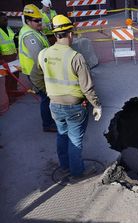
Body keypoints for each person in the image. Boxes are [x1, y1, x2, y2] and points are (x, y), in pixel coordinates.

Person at [38, 15, 102, 178]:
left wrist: (48, 92)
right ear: (70, 34)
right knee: (75, 140)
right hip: (74, 107)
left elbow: (36, 75)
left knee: (62, 135)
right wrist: (96, 105)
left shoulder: (43, 53)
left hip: (54, 105)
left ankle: (65, 166)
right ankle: (77, 172)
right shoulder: (75, 57)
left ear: (55, 34)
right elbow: (87, 87)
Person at [19, 4, 56, 132]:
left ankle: (50, 120)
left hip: (38, 71)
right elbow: (39, 57)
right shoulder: (29, 36)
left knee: (47, 97)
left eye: (40, 19)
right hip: (35, 72)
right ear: (28, 21)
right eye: (36, 20)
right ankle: (47, 124)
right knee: (46, 97)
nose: (40, 22)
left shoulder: (35, 30)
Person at [0, 12, 19, 96]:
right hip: (4, 58)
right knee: (7, 76)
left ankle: (14, 91)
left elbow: (13, 40)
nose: (6, 21)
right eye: (4, 20)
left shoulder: (8, 28)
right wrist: (1, 60)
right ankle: (9, 94)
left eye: (7, 20)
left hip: (13, 56)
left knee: (16, 74)